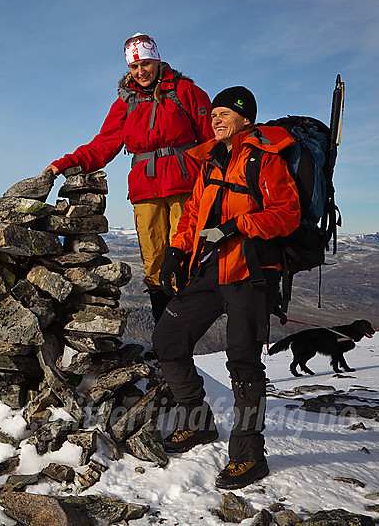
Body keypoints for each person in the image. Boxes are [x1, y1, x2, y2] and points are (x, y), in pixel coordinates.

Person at [152, 86, 301, 490]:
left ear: (246, 119)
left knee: (244, 364)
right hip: (208, 270)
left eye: (225, 114)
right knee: (168, 338)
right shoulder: (211, 161)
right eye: (213, 113)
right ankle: (197, 423)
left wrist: (240, 225)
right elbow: (194, 214)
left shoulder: (264, 160)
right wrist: (176, 252)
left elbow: (287, 214)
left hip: (250, 275)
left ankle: (249, 455)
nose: (215, 119)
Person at [44, 33, 212, 322]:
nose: (141, 72)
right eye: (135, 67)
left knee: (186, 257)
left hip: (187, 186)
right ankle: (164, 337)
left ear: (157, 61)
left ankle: (185, 334)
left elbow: (210, 140)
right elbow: (102, 147)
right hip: (146, 191)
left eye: (146, 63)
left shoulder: (187, 92)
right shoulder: (126, 103)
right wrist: (65, 163)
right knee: (154, 262)